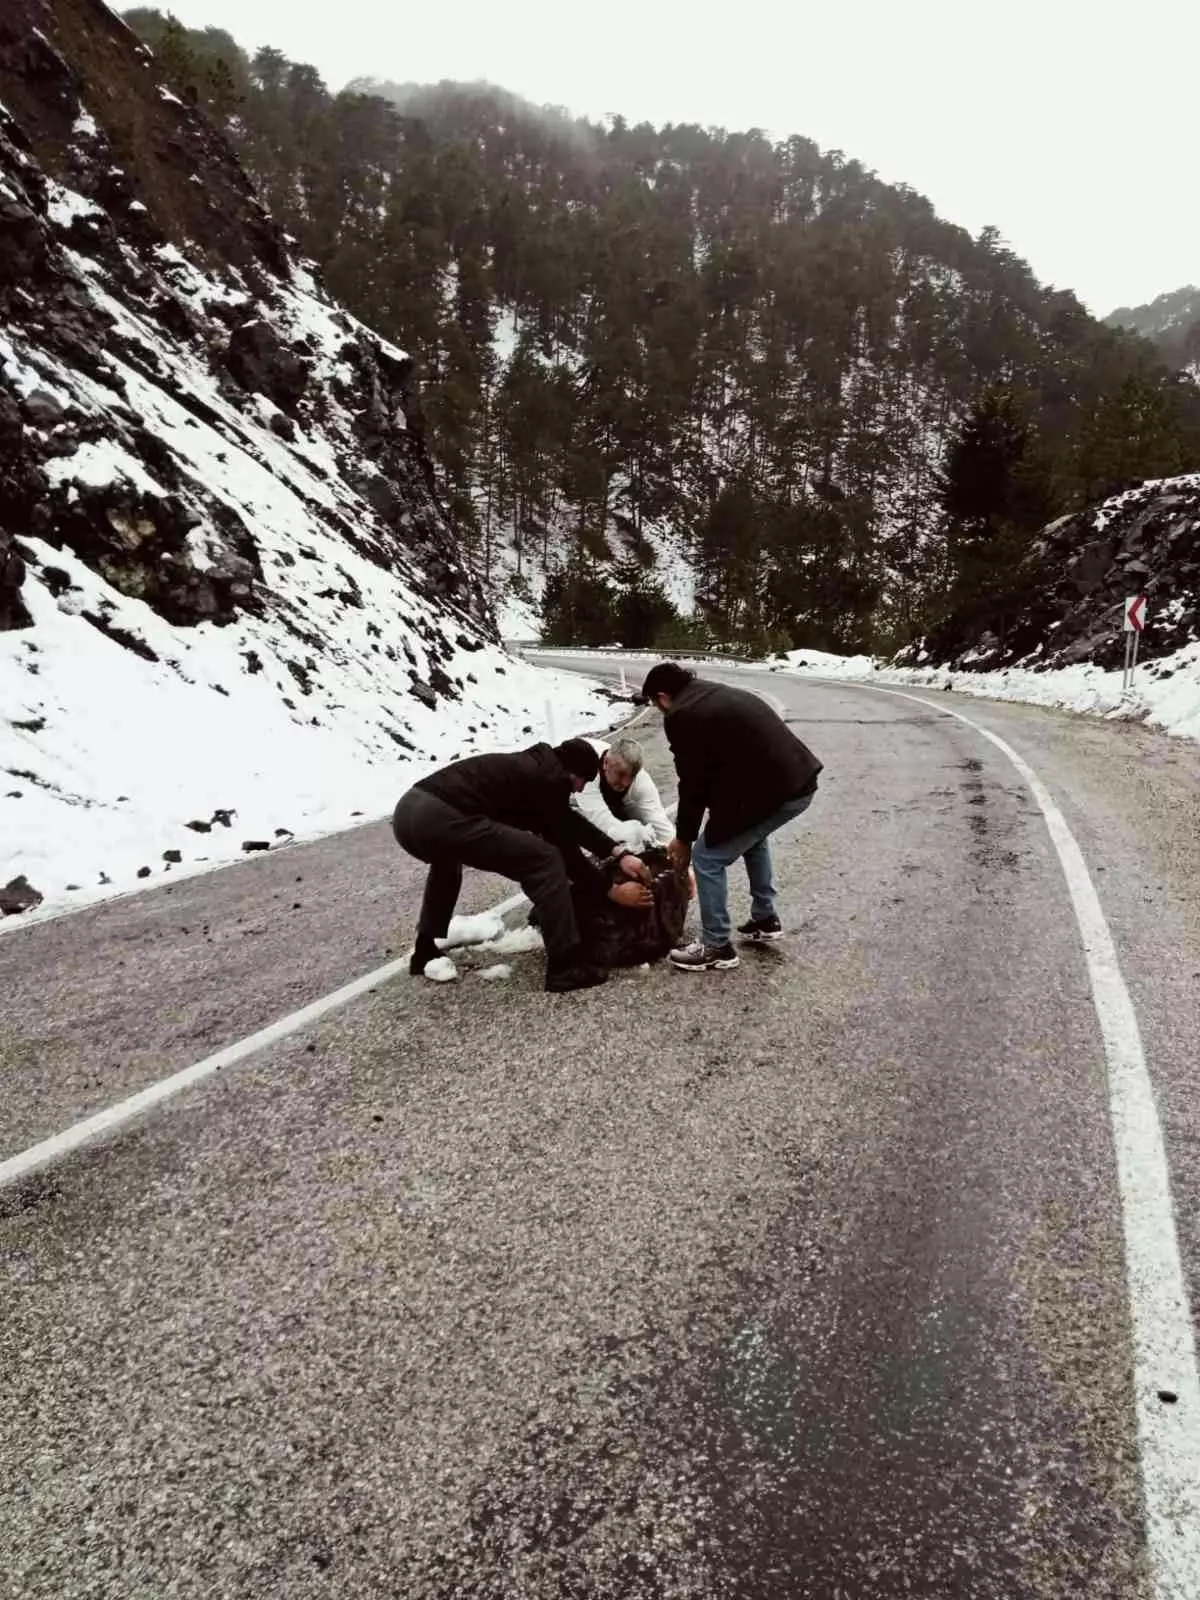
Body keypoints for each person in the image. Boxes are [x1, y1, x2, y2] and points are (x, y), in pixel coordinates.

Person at [392, 737, 653, 993]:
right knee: (546, 858)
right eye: (582, 781)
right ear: (570, 772)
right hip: (439, 818)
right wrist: (611, 889)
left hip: (409, 813)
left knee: (447, 862)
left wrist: (617, 852)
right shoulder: (549, 780)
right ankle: (564, 966)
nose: (581, 789)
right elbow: (566, 850)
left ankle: (424, 951)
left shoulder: (537, 770)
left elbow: (566, 821)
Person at [635, 662, 822, 972]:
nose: (659, 710)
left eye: (656, 705)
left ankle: (716, 946)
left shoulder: (684, 715)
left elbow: (692, 783)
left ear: (663, 697)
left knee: (707, 858)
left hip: (774, 789)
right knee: (752, 838)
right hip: (797, 779)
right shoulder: (712, 693)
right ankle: (765, 918)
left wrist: (684, 839)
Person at [571, 735, 674, 852]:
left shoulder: (642, 782)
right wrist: (636, 833)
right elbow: (602, 822)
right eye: (621, 774)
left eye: (631, 776)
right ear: (605, 762)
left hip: (622, 801)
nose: (626, 782)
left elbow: (662, 827)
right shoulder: (586, 769)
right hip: (573, 797)